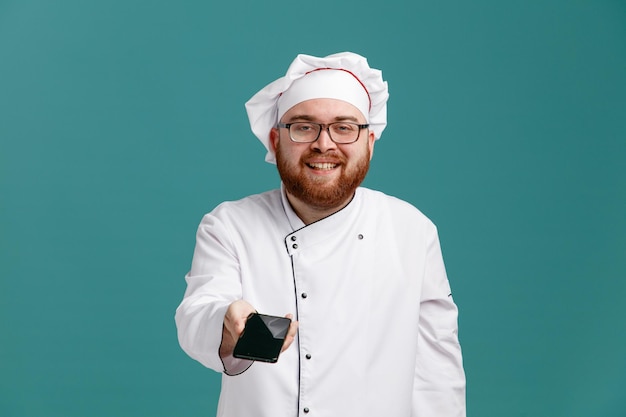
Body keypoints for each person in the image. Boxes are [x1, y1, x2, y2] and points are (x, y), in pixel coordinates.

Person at [175, 52, 466, 417]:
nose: (324, 144)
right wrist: (228, 322)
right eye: (303, 126)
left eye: (344, 127)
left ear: (370, 142)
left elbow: (437, 373)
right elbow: (197, 313)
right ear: (275, 140)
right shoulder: (230, 225)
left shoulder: (410, 230)